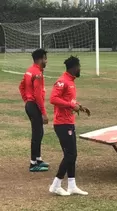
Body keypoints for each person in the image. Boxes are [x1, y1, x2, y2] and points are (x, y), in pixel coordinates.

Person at [48, 56, 91, 196]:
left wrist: (80, 107)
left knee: (72, 155)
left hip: (69, 122)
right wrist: (72, 105)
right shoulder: (62, 81)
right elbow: (53, 99)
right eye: (78, 66)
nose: (80, 69)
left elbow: (69, 100)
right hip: (62, 123)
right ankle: (56, 184)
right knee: (70, 154)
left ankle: (72, 185)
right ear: (73, 67)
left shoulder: (71, 81)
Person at [19, 48, 50, 172]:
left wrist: (26, 100)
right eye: (45, 58)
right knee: (37, 134)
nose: (46, 61)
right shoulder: (37, 73)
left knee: (39, 132)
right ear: (40, 59)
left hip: (30, 104)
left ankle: (38, 159)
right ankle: (33, 163)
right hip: (34, 106)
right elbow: (37, 95)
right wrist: (43, 113)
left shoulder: (29, 71)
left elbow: (21, 86)